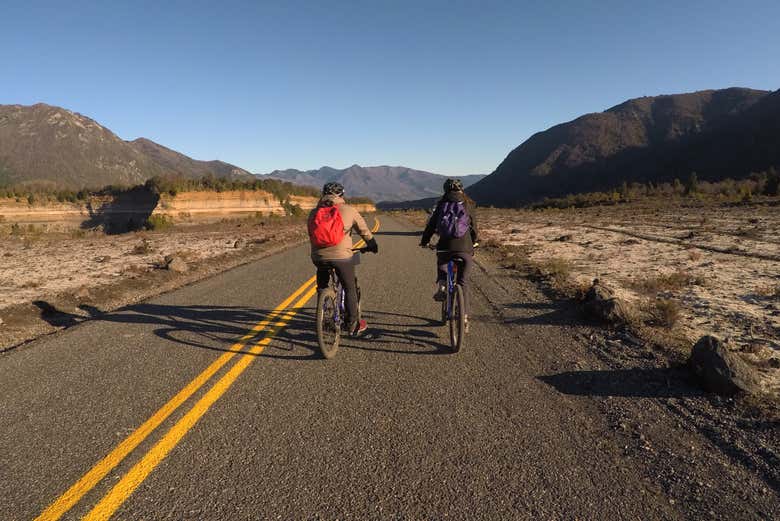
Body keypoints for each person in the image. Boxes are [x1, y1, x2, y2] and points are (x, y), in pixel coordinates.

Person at [308, 182, 378, 336]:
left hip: (319, 257)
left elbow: (311, 235)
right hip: (342, 257)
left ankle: (322, 315)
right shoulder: (349, 210)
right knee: (350, 287)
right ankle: (353, 324)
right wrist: (372, 245)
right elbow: (364, 231)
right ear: (341, 195)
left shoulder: (314, 212)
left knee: (322, 286)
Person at [419, 178, 479, 330]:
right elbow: (474, 228)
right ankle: (464, 317)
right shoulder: (469, 204)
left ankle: (443, 285)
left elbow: (431, 226)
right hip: (465, 248)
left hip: (445, 247)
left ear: (445, 190)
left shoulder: (441, 205)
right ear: (461, 190)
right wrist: (475, 242)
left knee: (442, 261)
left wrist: (425, 241)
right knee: (463, 283)